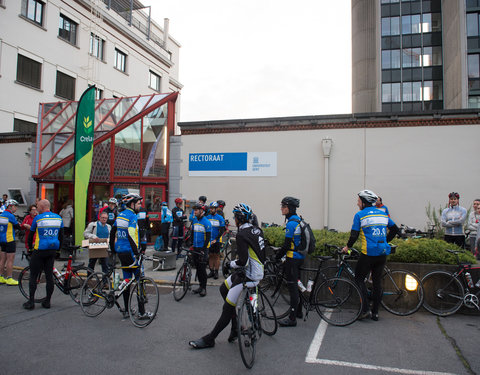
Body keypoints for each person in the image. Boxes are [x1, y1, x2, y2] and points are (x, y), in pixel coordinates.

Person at [189, 203, 265, 349]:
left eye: (235, 217)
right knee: (223, 289)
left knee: (227, 308)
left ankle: (210, 339)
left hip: (248, 276)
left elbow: (243, 261)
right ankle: (237, 325)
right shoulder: (257, 230)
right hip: (255, 272)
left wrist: (229, 264)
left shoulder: (242, 235)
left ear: (238, 219)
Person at [342, 190, 399, 321]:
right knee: (377, 282)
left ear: (364, 202)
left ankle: (365, 309)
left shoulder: (360, 215)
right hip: (382, 252)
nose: (357, 203)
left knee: (359, 279)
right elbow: (395, 229)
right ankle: (375, 313)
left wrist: (347, 247)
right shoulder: (383, 213)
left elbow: (354, 235)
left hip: (368, 253)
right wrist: (385, 241)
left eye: (358, 200)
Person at [109, 193, 149, 319]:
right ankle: (142, 312)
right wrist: (137, 253)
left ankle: (126, 310)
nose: (140, 206)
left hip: (121, 251)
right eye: (138, 204)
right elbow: (131, 235)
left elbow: (113, 232)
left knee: (127, 281)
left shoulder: (120, 215)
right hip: (131, 253)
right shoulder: (132, 216)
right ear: (132, 204)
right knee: (139, 280)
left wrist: (113, 249)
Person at [23, 199, 64, 309]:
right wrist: (58, 251)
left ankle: (31, 302)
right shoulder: (58, 218)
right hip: (52, 250)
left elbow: (31, 235)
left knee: (33, 275)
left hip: (39, 250)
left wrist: (30, 249)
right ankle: (47, 302)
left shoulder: (38, 218)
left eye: (38, 207)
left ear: (42, 207)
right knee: (49, 276)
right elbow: (61, 236)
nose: (37, 209)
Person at [274, 196, 305, 327]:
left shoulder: (291, 224)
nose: (281, 209)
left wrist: (276, 257)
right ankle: (298, 311)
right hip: (299, 257)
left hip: (292, 258)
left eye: (283, 206)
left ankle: (292, 318)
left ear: (289, 208)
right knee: (297, 285)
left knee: (292, 287)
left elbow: (286, 245)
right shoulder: (299, 220)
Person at [191, 202, 212, 297]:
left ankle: (204, 288)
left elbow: (208, 238)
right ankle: (200, 286)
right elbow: (192, 233)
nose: (194, 212)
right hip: (195, 247)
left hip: (203, 249)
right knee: (198, 268)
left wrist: (203, 249)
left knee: (202, 269)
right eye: (194, 210)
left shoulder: (206, 222)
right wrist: (191, 244)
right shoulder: (194, 221)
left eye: (196, 210)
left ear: (202, 211)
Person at [0, 199, 22, 285]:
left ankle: (1, 277)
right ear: (10, 206)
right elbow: (18, 226)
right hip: (9, 239)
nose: (16, 208)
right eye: (15, 206)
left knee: (2, 259)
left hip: (1, 239)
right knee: (10, 259)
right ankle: (9, 278)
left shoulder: (1, 215)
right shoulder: (10, 216)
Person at [206, 201, 226, 279]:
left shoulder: (220, 218)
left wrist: (216, 239)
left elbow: (221, 230)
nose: (211, 210)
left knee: (216, 256)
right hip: (209, 240)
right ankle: (211, 271)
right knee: (210, 255)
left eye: (213, 208)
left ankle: (216, 272)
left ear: (216, 209)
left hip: (217, 240)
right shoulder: (207, 217)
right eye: (210, 208)